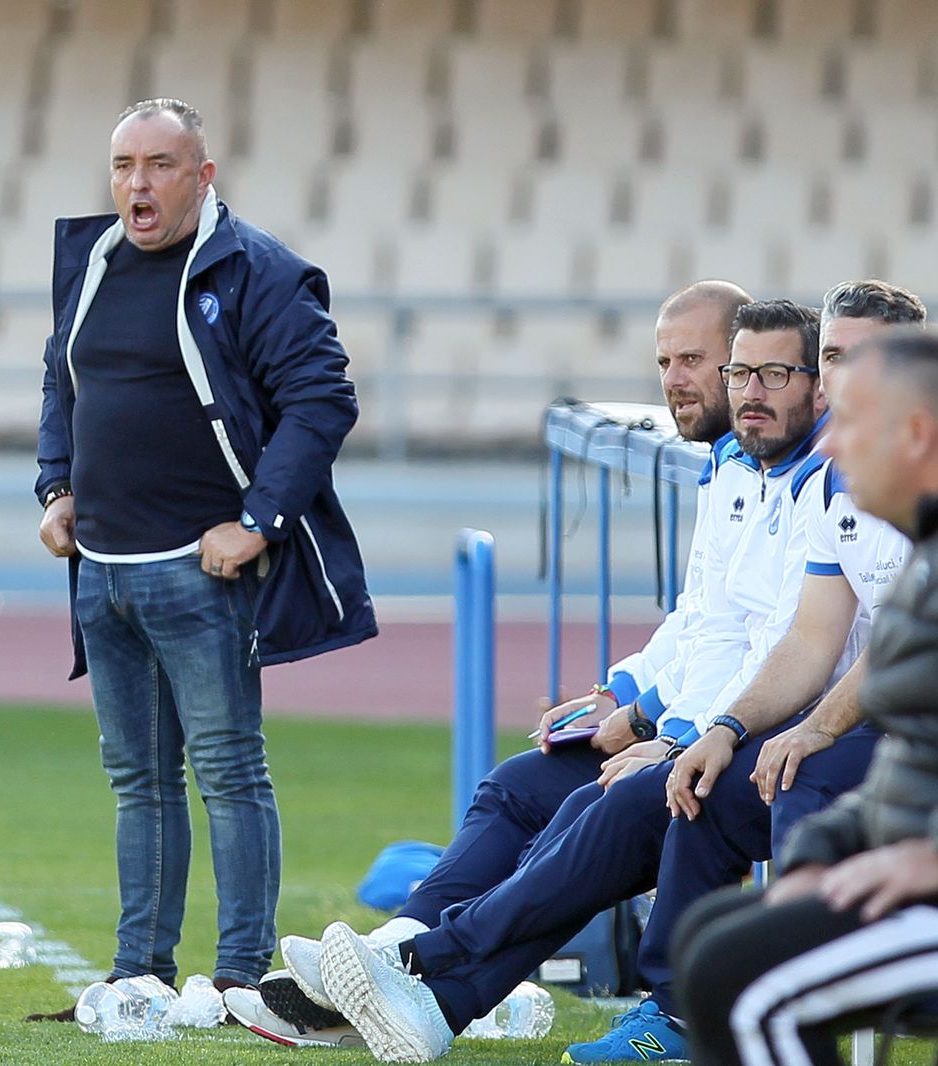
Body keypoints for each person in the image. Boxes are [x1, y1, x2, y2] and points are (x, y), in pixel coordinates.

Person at [300, 301, 835, 1063]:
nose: (689, 383)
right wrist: (626, 694)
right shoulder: (739, 468)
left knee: (617, 805)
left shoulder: (818, 483)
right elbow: (706, 625)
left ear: (816, 386)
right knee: (522, 784)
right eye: (733, 371)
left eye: (764, 372)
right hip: (721, 723)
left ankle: (427, 969)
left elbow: (791, 650)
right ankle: (412, 960)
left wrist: (670, 732)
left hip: (768, 734)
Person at [30, 98, 375, 1018]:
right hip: (101, 569)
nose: (136, 185)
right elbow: (62, 382)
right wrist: (54, 488)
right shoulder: (92, 260)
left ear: (203, 175)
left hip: (200, 569)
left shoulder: (257, 269)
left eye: (159, 166)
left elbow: (322, 400)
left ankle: (238, 978)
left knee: (228, 771)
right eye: (122, 167)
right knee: (137, 781)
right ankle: (138, 970)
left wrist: (258, 522)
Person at [674, 326, 938, 1066]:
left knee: (744, 978)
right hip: (905, 871)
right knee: (710, 937)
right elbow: (908, 767)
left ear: (916, 434)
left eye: (848, 422)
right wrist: (821, 857)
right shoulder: (922, 561)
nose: (826, 447)